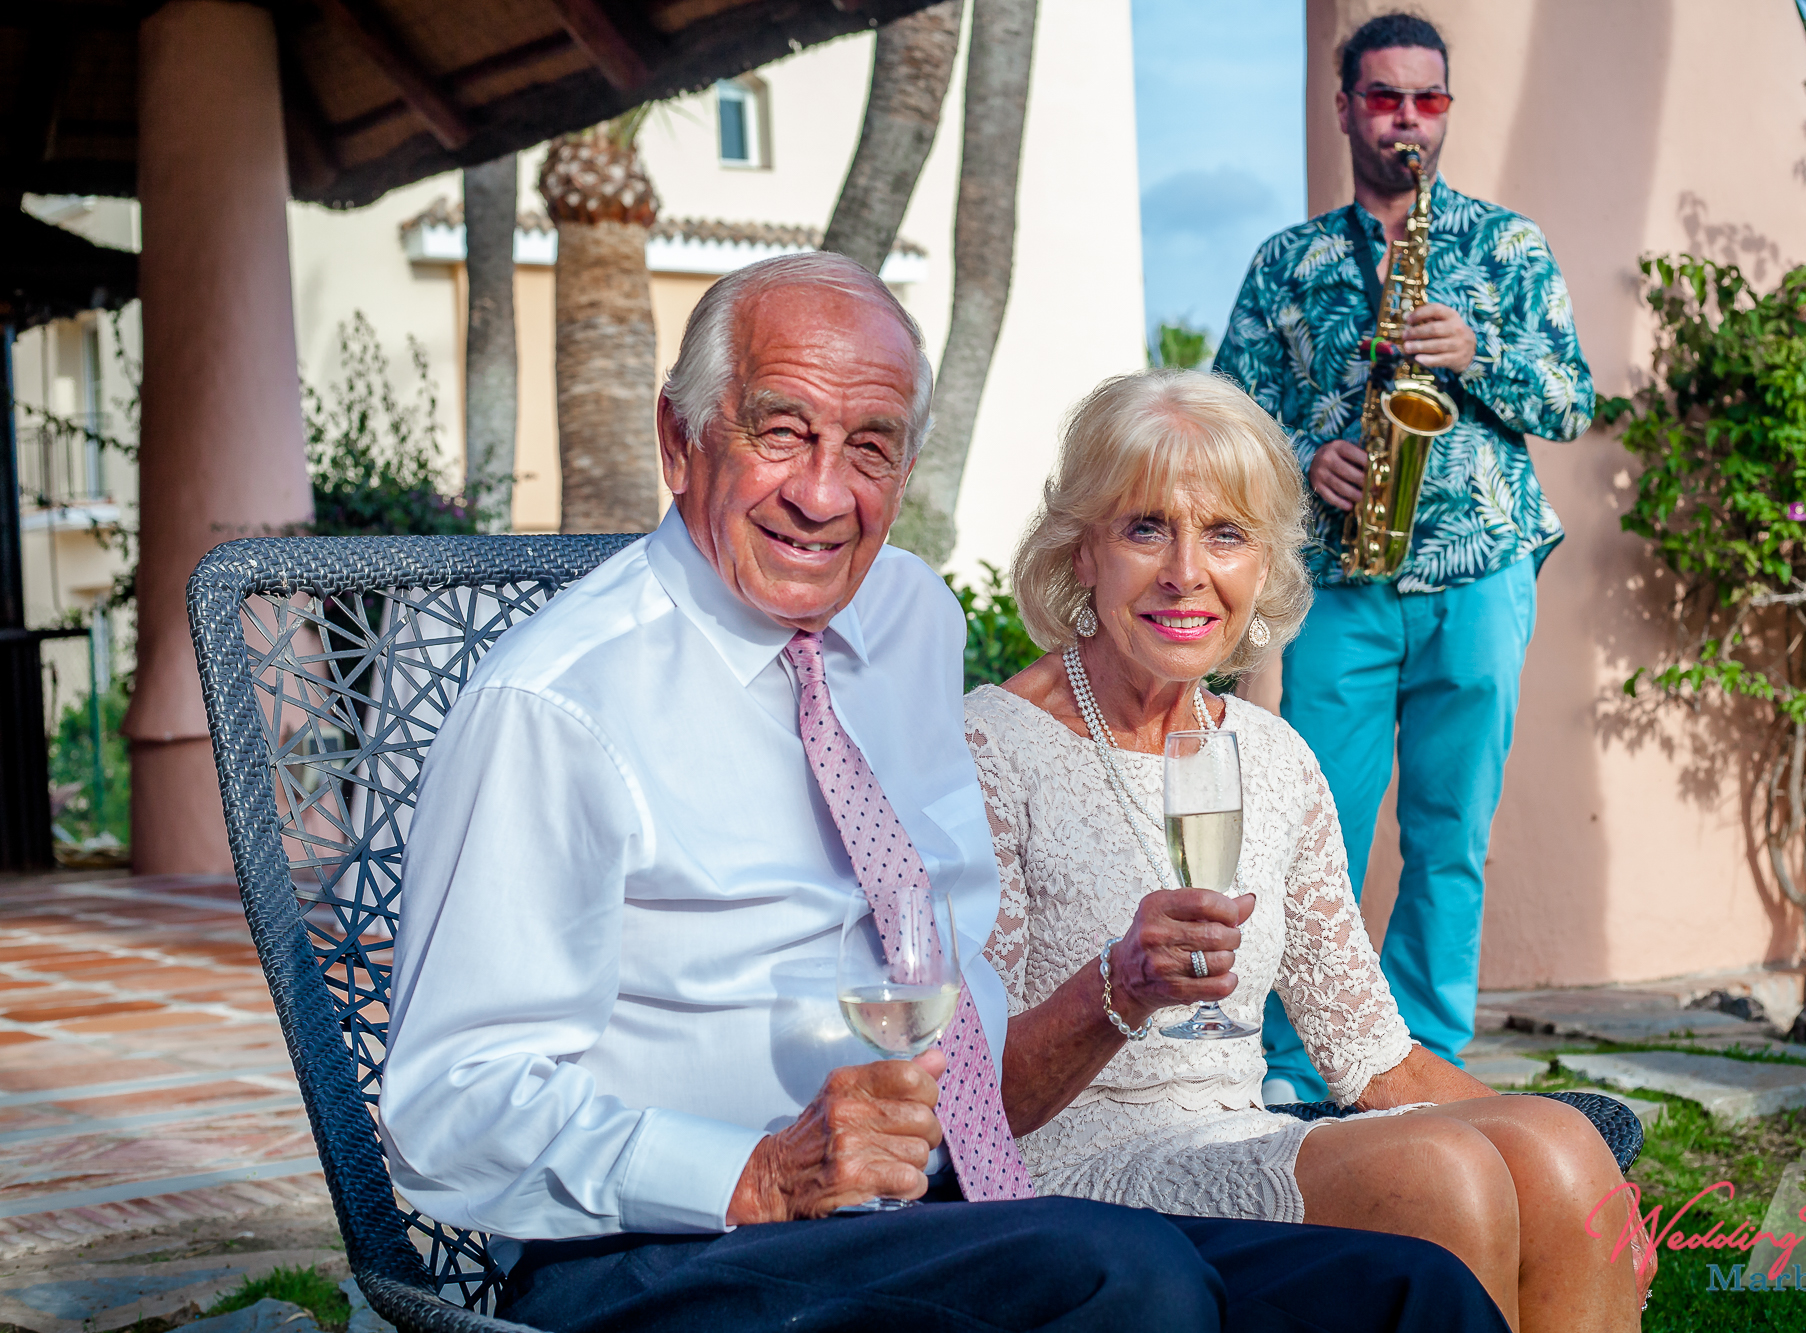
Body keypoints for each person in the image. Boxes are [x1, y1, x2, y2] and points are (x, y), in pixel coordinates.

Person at [377, 253, 1510, 1333]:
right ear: (680, 441)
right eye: (782, 432)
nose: (823, 494)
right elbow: (445, 1106)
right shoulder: (558, 704)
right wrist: (752, 1171)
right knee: (1124, 1278)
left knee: (1407, 1291)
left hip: (930, 1206)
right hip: (663, 1247)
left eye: (869, 447)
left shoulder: (906, 618)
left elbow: (952, 939)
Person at [967, 368, 1643, 1333]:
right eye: (1147, 528)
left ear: (1264, 565)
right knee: (1442, 1173)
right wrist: (1119, 987)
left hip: (1239, 1131)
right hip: (1071, 1164)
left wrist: (1560, 1161)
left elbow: (1371, 1055)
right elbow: (972, 1093)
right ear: (1084, 550)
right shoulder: (991, 745)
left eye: (1226, 534)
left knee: (1572, 1156)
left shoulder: (1273, 756)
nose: (1186, 572)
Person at [1213, 12, 1595, 1084]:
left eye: (1428, 100)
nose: (1408, 120)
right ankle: (1298, 1066)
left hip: (1479, 572)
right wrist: (1301, 459)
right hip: (1340, 578)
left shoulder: (1507, 247)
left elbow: (1571, 402)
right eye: (1386, 98)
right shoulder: (1286, 262)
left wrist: (1477, 351)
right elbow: (1225, 419)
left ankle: (1426, 1055)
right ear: (1345, 108)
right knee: (1313, 832)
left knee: (1449, 830)